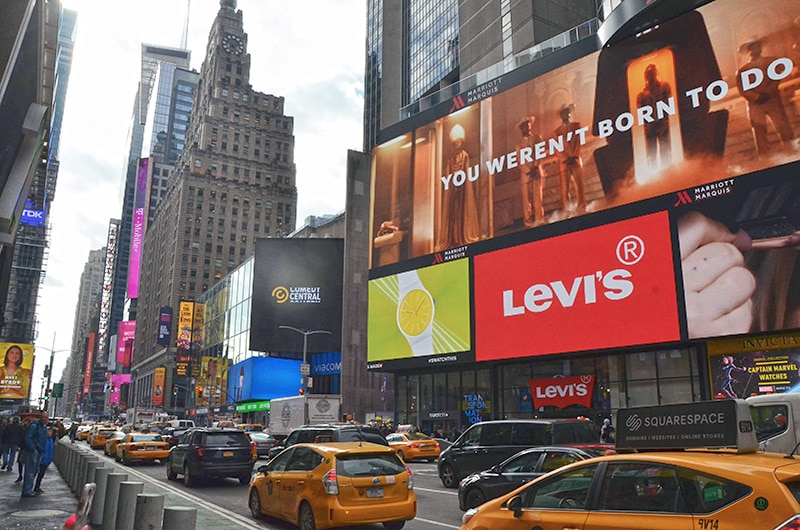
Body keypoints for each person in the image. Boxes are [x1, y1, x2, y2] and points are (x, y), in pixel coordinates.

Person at [736, 37, 795, 156]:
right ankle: (765, 158)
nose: (756, 49)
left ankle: (792, 153)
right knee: (759, 132)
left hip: (773, 100)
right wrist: (756, 97)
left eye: (758, 46)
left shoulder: (771, 62)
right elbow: (742, 89)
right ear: (749, 51)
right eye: (753, 47)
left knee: (783, 127)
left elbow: (777, 78)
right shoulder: (743, 70)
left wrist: (768, 92)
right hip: (755, 105)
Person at [437, 124, 481, 250]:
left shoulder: (465, 155)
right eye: (455, 142)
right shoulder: (451, 159)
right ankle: (454, 238)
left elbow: (466, 172)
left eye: (459, 142)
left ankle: (462, 237)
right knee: (453, 214)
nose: (457, 144)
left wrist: (461, 184)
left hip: (462, 189)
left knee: (462, 213)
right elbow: (448, 174)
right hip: (453, 190)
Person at [636, 64, 672, 168]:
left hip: (663, 124)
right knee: (651, 154)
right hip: (650, 128)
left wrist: (665, 123)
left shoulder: (664, 87)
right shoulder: (641, 95)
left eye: (652, 74)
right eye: (648, 75)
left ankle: (668, 172)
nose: (650, 77)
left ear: (656, 74)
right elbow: (641, 115)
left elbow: (668, 105)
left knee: (666, 151)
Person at [553, 103, 587, 214]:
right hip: (564, 164)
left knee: (579, 186)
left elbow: (579, 142)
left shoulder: (577, 126)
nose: (565, 114)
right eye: (563, 113)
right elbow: (557, 149)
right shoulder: (556, 132)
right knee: (565, 189)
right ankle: (567, 211)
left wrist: (574, 156)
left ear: (570, 113)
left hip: (576, 160)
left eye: (567, 112)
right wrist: (566, 159)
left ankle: (582, 208)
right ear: (561, 115)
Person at [516, 116, 546, 227]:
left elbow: (540, 153)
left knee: (538, 198)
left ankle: (539, 220)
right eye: (524, 125)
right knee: (526, 201)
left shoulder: (538, 138)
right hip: (525, 175)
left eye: (528, 124)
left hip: (536, 172)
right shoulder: (518, 144)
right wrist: (528, 170)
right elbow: (519, 161)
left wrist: (535, 166)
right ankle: (528, 222)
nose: (527, 126)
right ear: (521, 128)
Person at [21, 411, 48, 498]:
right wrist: (32, 449)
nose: (45, 419)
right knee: (30, 470)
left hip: (39, 451)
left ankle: (29, 489)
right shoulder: (35, 426)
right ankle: (27, 490)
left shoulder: (43, 427)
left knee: (34, 470)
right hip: (34, 451)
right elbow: (28, 438)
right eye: (43, 417)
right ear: (40, 418)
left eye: (46, 418)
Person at [33, 426, 55, 495]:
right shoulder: (44, 440)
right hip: (42, 460)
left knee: (41, 475)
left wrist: (50, 459)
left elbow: (51, 450)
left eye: (51, 432)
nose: (50, 433)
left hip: (46, 460)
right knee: (36, 473)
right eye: (49, 431)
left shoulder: (51, 440)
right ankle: (33, 487)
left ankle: (37, 487)